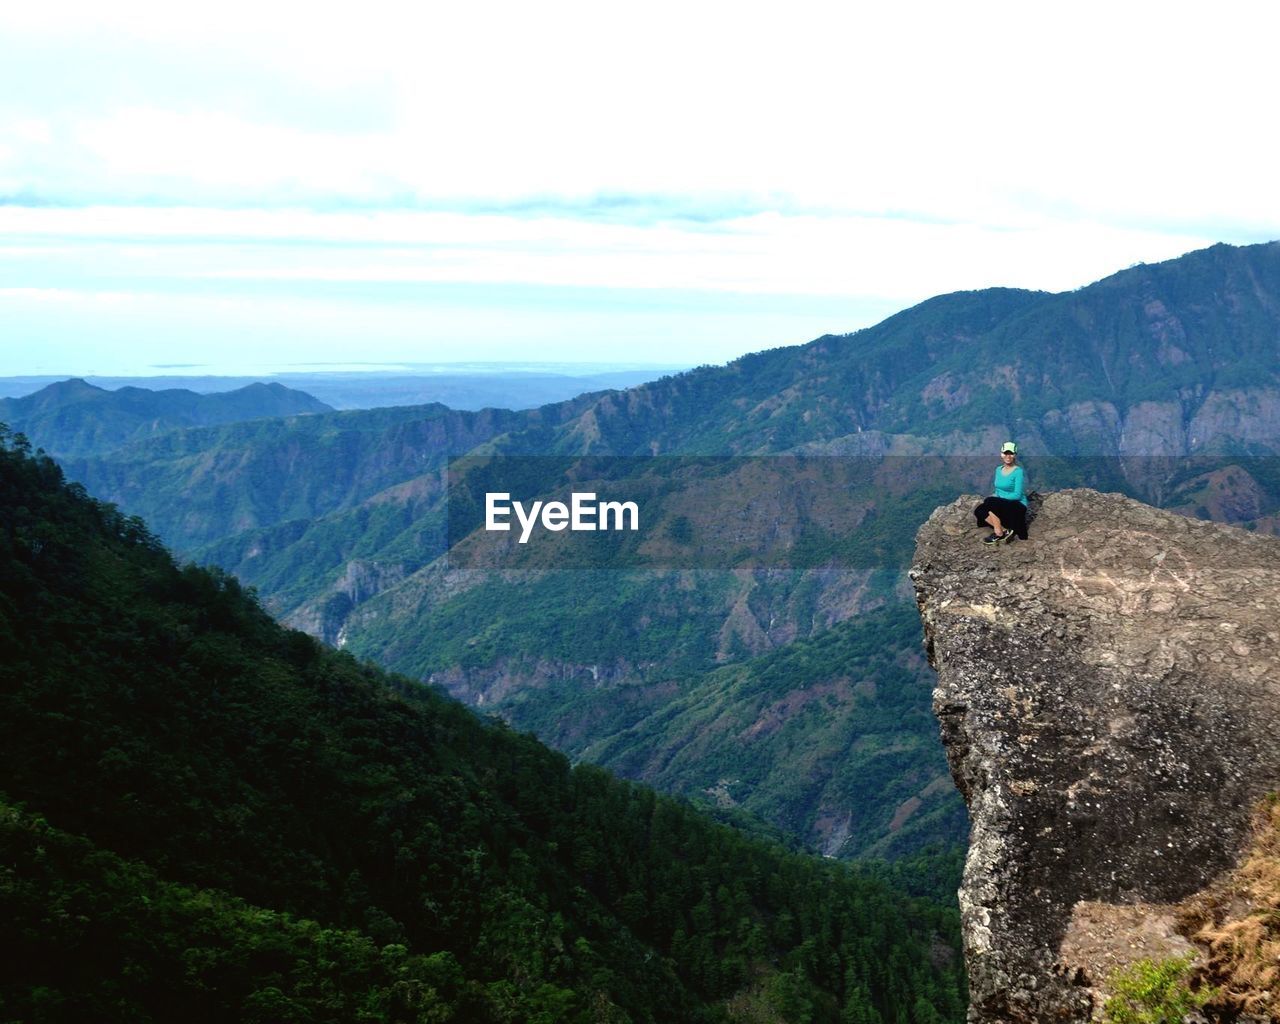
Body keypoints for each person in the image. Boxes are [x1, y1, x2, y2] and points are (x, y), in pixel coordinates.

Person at [974, 441, 1027, 544]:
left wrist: (998, 500)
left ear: (1015, 455)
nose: (1008, 456)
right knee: (979, 509)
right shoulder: (998, 470)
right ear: (1001, 454)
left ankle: (998, 533)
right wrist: (996, 500)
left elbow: (1017, 495)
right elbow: (998, 490)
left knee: (989, 501)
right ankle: (1005, 530)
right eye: (1005, 453)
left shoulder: (1018, 472)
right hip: (1004, 504)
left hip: (1018, 505)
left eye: (1011, 453)